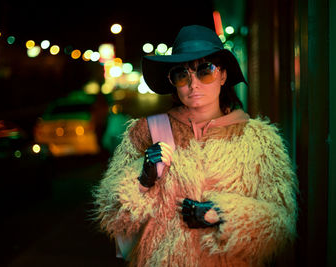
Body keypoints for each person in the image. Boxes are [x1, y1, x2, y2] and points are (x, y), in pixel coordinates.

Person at [93, 25, 298, 267]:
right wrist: (143, 177)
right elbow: (113, 217)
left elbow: (281, 221)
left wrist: (221, 214)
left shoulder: (259, 140)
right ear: (173, 82)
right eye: (182, 74)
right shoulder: (146, 133)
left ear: (223, 75)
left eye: (205, 71)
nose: (193, 84)